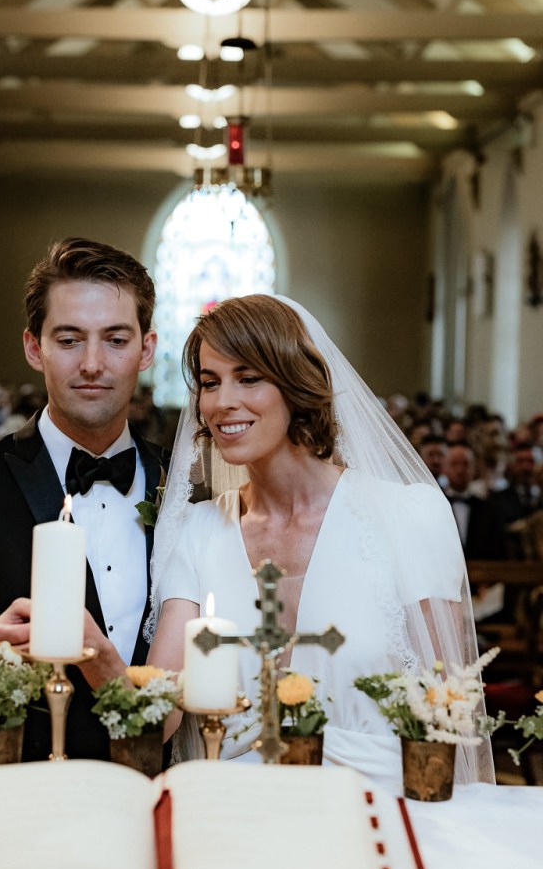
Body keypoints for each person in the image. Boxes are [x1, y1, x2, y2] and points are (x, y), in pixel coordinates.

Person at [146, 295, 492, 788]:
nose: (222, 402)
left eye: (248, 378)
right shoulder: (198, 531)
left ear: (295, 383)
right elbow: (160, 711)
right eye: (208, 382)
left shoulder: (407, 516)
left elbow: (450, 716)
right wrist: (93, 654)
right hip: (234, 812)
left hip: (379, 811)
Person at [0, 237, 166, 761]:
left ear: (146, 350)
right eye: (70, 340)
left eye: (116, 340)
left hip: (156, 775)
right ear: (34, 348)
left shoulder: (185, 483)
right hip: (9, 779)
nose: (93, 364)